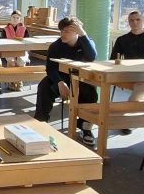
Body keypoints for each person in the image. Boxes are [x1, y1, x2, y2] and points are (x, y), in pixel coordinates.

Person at [34, 16, 97, 145]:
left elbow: (92, 56)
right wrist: (59, 82)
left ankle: (85, 128)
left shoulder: (86, 42)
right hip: (62, 79)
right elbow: (50, 68)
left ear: (77, 32)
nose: (63, 34)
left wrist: (83, 34)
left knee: (91, 90)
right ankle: (40, 122)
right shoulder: (55, 46)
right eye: (61, 31)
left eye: (67, 31)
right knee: (44, 86)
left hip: (81, 80)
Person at [109, 10, 144, 126]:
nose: (135, 22)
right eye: (131, 20)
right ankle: (113, 113)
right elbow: (113, 59)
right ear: (128, 22)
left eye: (138, 20)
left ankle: (126, 119)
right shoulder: (122, 39)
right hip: (125, 72)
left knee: (140, 86)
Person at [0, 10, 30, 91]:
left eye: (17, 18)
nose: (15, 19)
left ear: (20, 19)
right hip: (9, 51)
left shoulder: (24, 29)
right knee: (12, 62)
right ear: (10, 18)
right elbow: (3, 43)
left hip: (22, 51)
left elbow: (28, 42)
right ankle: (12, 83)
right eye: (13, 17)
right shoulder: (5, 29)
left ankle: (19, 83)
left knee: (20, 61)